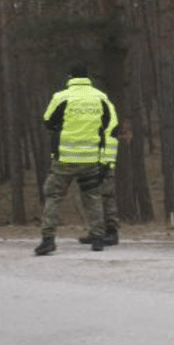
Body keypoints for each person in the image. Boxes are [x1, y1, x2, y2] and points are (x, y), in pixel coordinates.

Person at [37, 62, 120, 255]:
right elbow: (111, 125)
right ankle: (98, 237)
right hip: (90, 158)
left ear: (70, 78)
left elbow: (48, 121)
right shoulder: (100, 97)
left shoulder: (61, 97)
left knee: (54, 195)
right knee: (93, 197)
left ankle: (48, 239)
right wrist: (105, 158)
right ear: (87, 78)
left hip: (65, 158)